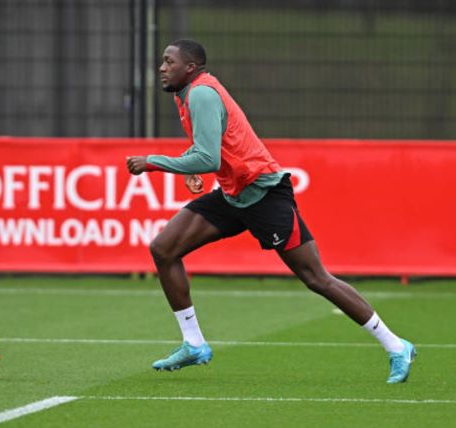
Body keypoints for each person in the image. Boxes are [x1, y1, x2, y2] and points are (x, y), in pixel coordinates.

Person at [126, 39, 416, 383]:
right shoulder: (186, 94)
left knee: (316, 277)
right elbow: (210, 147)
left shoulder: (201, 93)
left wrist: (152, 162)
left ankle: (396, 345)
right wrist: (190, 165)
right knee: (163, 248)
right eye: (163, 61)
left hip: (264, 195)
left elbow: (208, 158)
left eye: (168, 61)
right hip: (233, 195)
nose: (162, 67)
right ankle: (194, 344)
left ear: (190, 67)